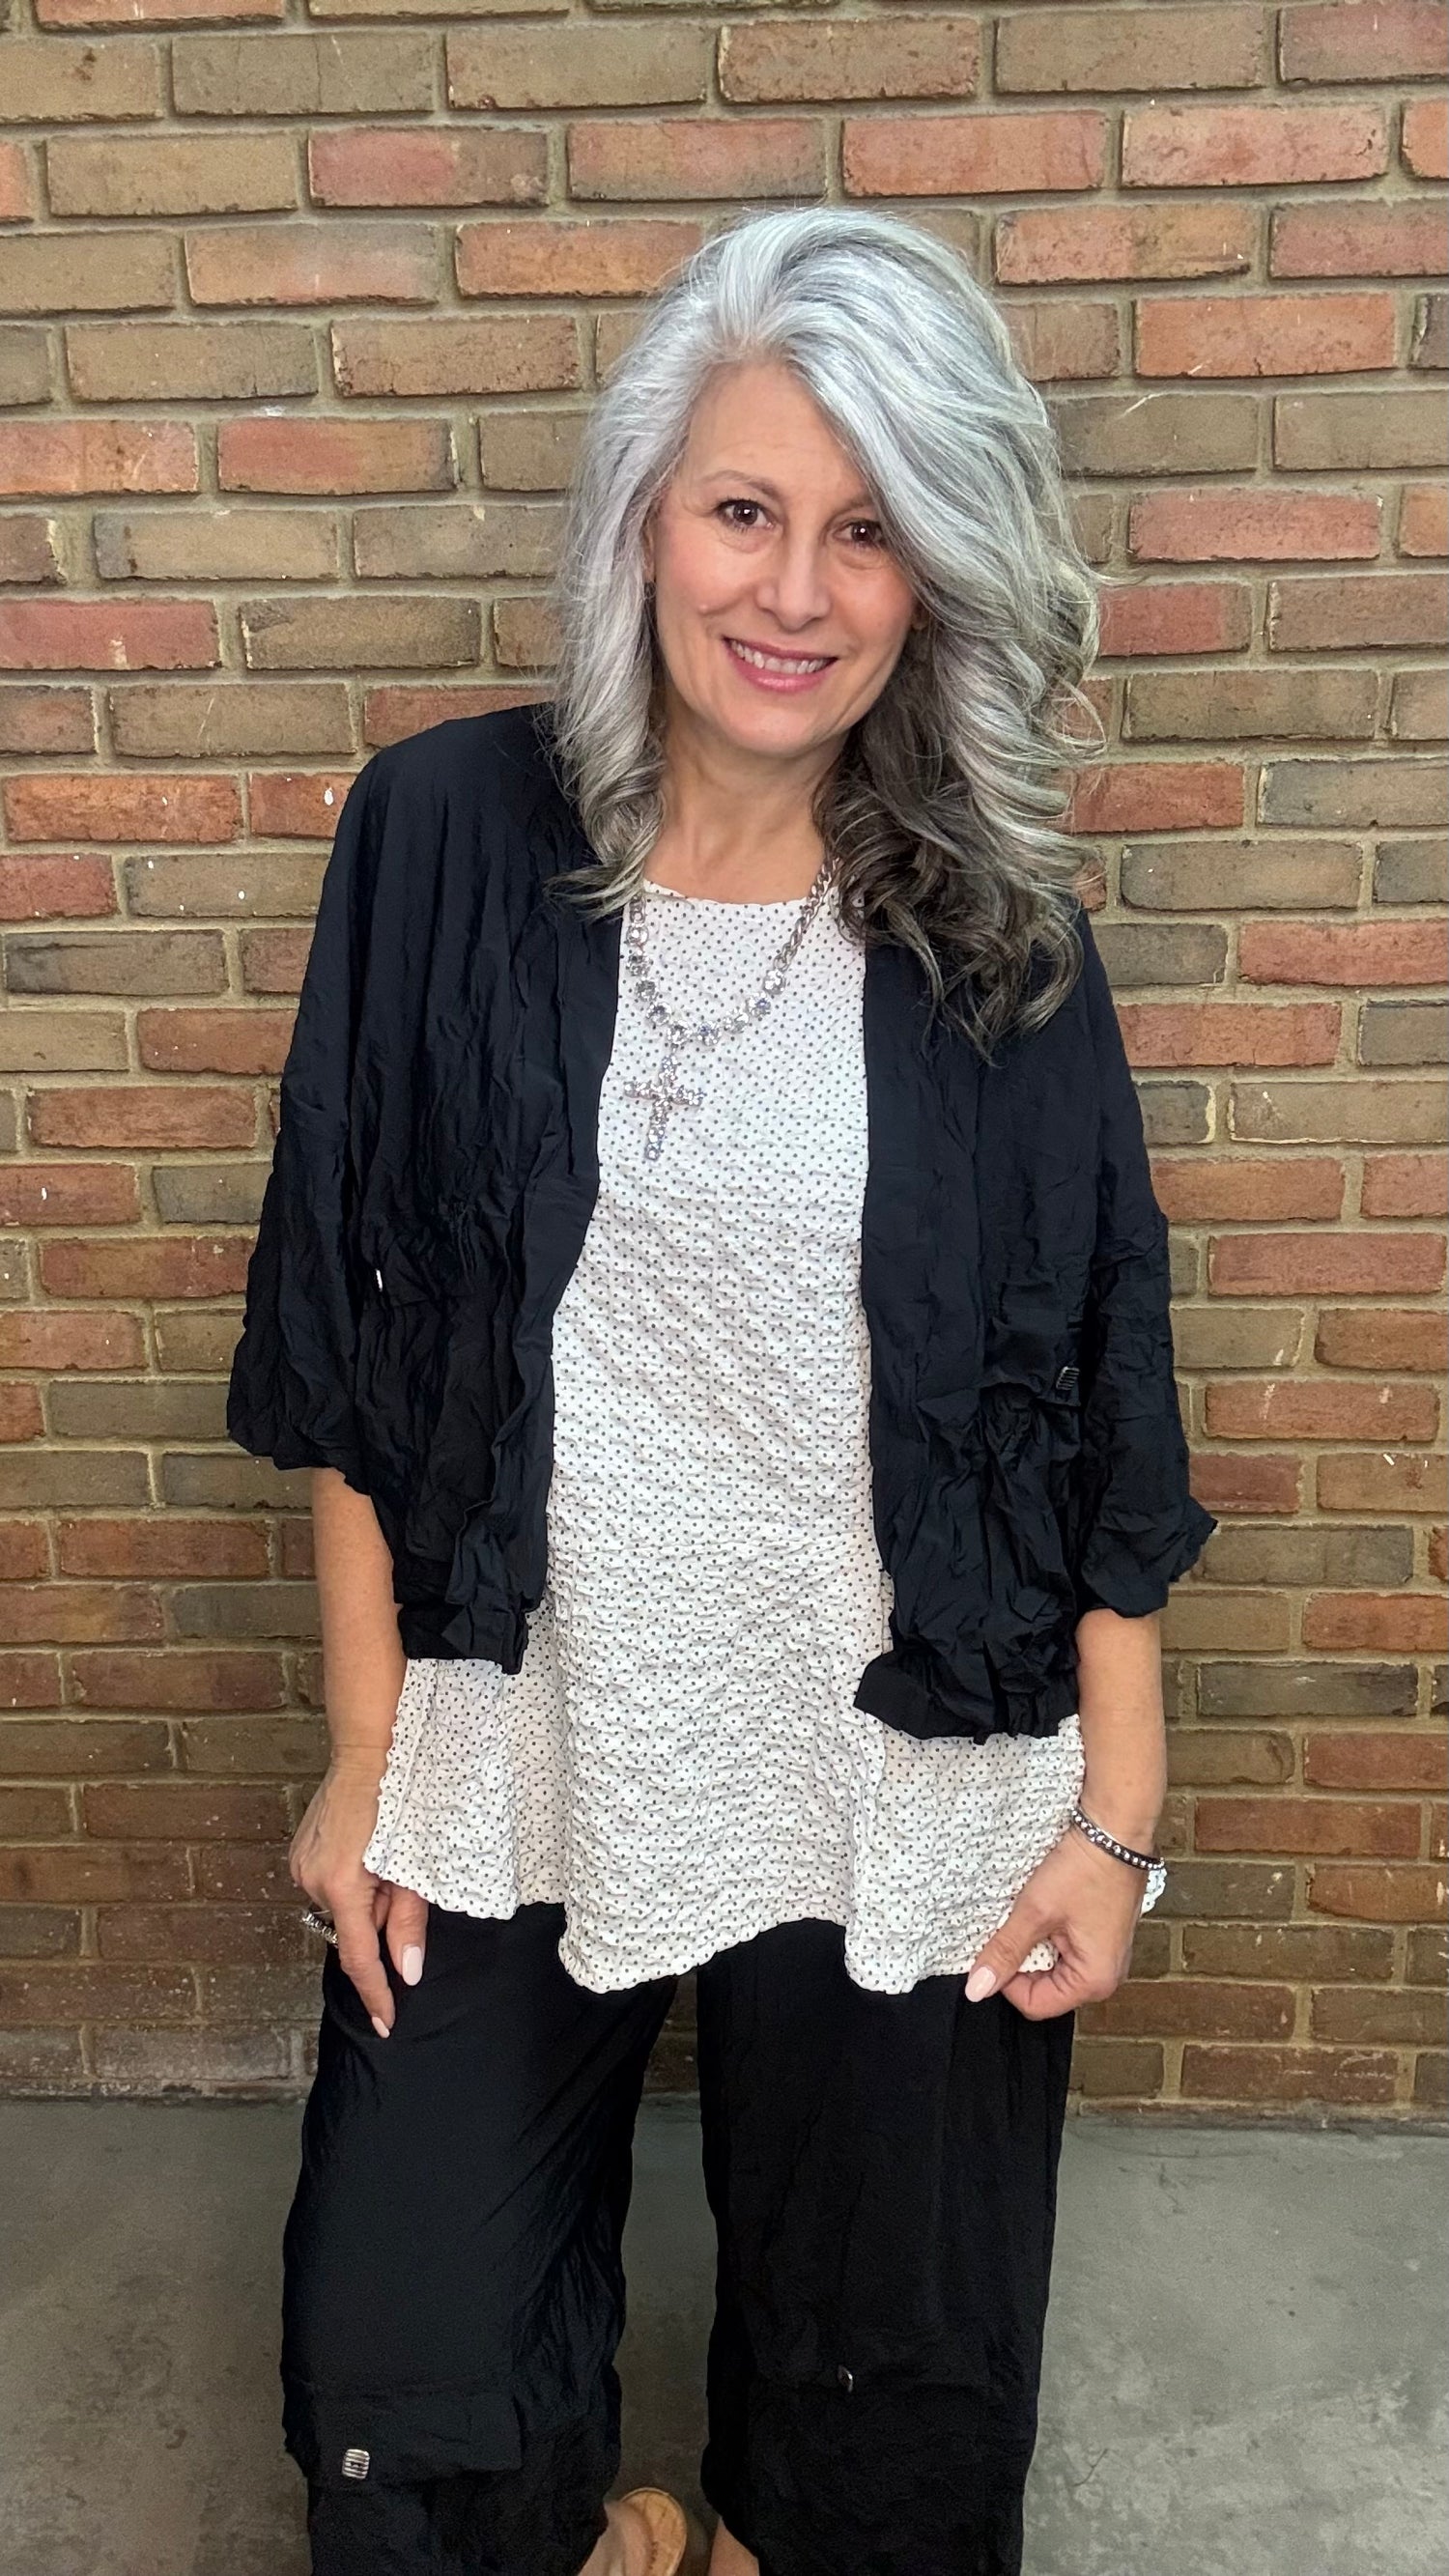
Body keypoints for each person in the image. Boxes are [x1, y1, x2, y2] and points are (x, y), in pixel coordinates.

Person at [227, 206, 1214, 2576]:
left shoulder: (997, 939)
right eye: (747, 506)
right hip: (525, 1708)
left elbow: (1095, 1387)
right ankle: (618, 2527)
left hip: (899, 1744)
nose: (797, 589)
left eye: (869, 527)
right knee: (403, 2424)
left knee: (902, 2441)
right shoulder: (446, 841)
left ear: (936, 572)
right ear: (645, 517)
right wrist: (367, 1756)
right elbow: (354, 1344)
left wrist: (1119, 1818)